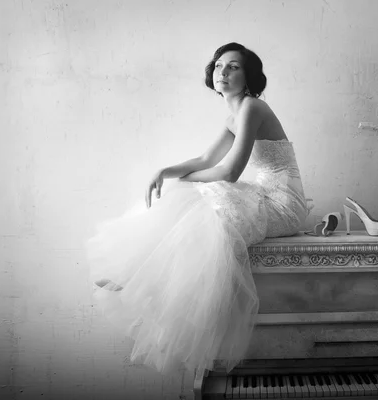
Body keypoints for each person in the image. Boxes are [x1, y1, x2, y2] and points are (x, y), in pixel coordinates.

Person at [86, 42, 308, 376]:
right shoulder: (234, 115)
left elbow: (229, 172)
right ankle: (143, 275)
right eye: (219, 65)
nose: (223, 72)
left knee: (209, 200)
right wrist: (167, 172)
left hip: (284, 203)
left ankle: (143, 278)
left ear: (249, 76)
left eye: (233, 66)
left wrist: (187, 181)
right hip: (265, 194)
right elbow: (207, 160)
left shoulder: (252, 108)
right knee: (192, 198)